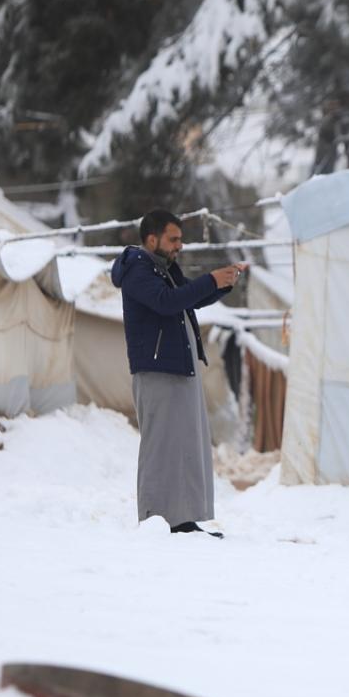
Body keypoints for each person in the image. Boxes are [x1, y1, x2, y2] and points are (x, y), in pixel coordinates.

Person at [110, 209, 248, 537]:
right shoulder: (138, 270)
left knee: (186, 443)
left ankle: (183, 519)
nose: (179, 246)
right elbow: (167, 302)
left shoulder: (165, 269)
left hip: (178, 367)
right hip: (157, 370)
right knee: (161, 446)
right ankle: (156, 518)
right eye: (174, 239)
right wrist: (210, 280)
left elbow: (190, 298)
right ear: (152, 238)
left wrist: (222, 284)